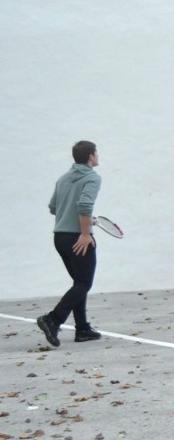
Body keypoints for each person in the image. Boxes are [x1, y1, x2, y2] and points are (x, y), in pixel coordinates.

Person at [37, 141, 104, 347]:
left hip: (60, 237)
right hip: (78, 237)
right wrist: (85, 233)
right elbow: (84, 205)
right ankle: (53, 319)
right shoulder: (92, 177)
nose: (98, 156)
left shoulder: (63, 178)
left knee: (79, 283)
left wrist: (86, 220)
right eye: (96, 152)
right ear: (91, 156)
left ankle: (82, 329)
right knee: (84, 283)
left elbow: (53, 207)